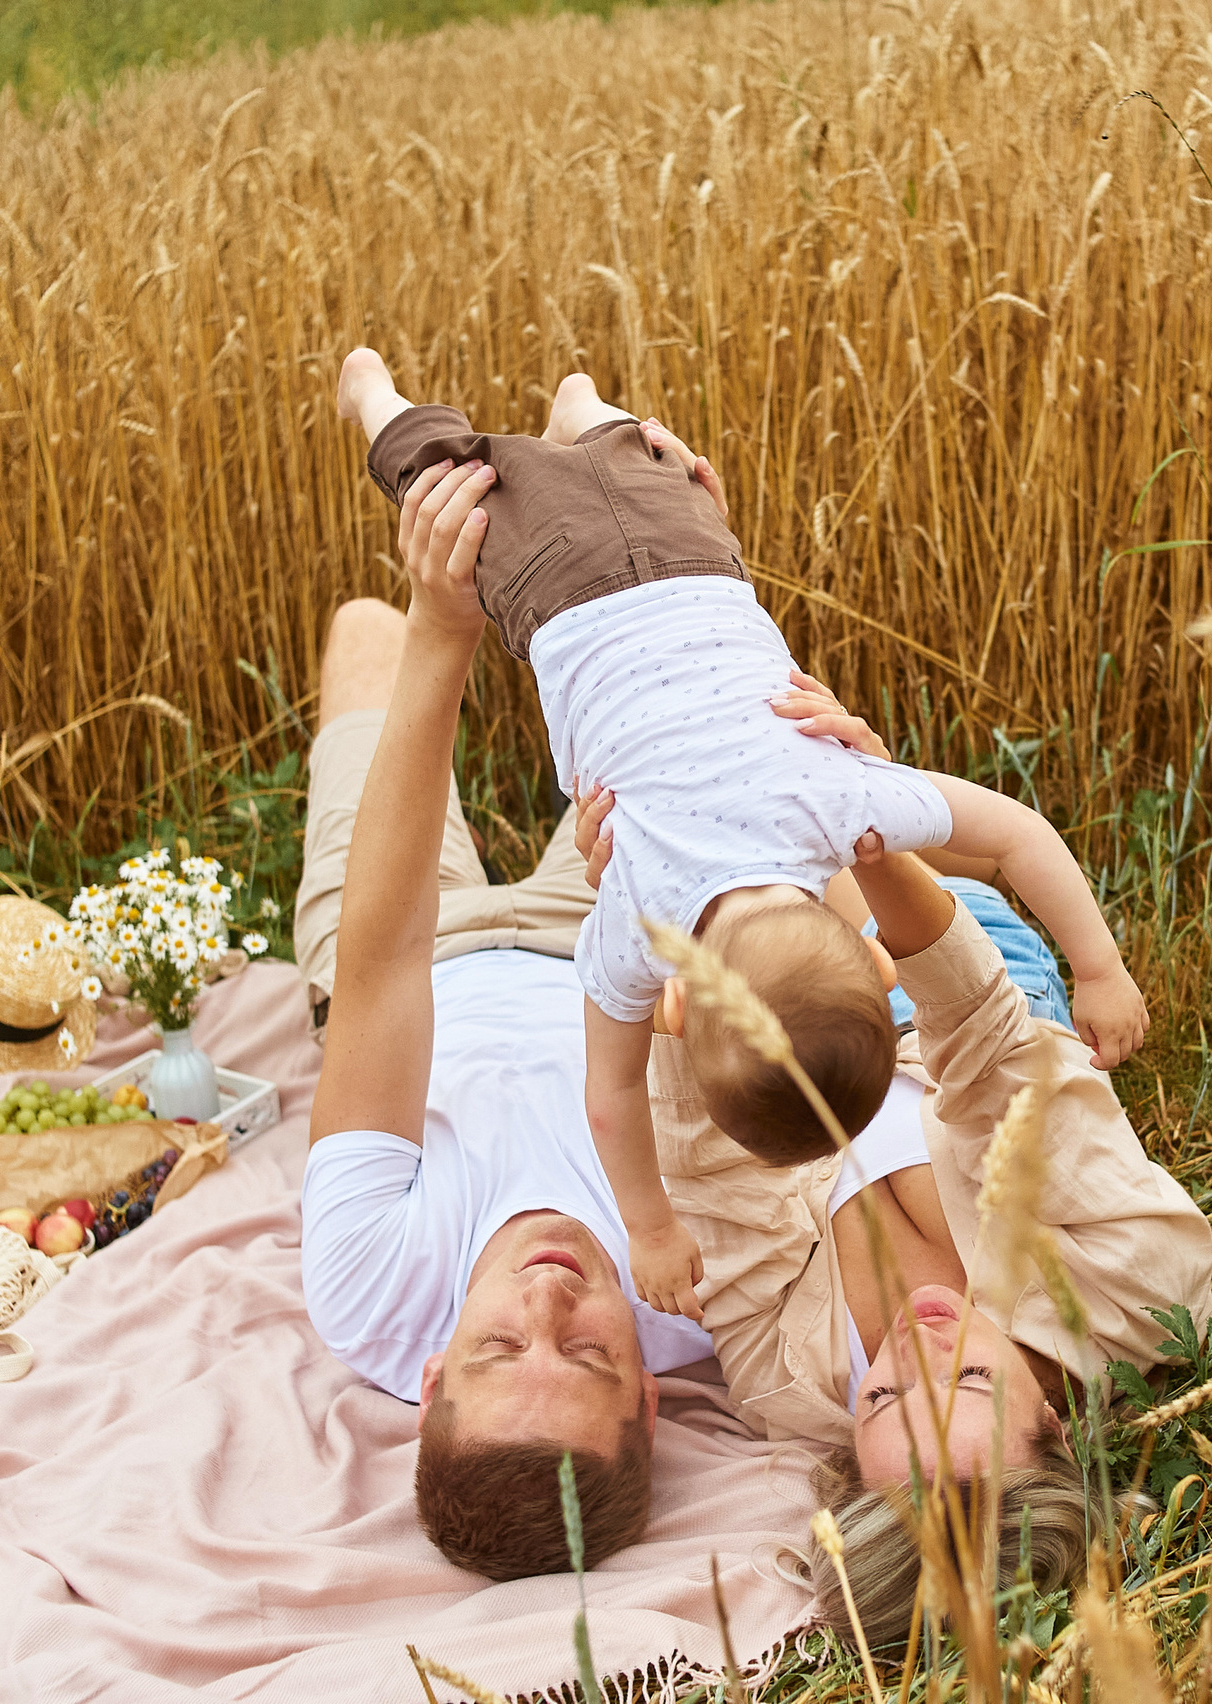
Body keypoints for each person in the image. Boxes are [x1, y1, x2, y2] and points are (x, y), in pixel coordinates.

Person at [334, 353, 1153, 1326]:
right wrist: (649, 1229)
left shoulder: (843, 803)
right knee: (445, 477)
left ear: (864, 944)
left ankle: (584, 412)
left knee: (621, 445)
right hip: (552, 591)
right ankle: (376, 401)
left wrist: (1100, 969)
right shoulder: (636, 924)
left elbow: (1019, 836)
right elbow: (614, 1096)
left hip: (693, 555)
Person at [633, 691, 1212, 1650]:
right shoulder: (1138, 1288)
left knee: (662, 811)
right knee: (787, 739)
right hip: (967, 970)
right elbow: (990, 1045)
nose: (918, 1351)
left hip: (781, 1032)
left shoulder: (787, 1387)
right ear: (1060, 1437)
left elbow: (714, 1178)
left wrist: (688, 989)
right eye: (971, 1385)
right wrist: (869, 829)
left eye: (885, 1399)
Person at [293, 456, 716, 1581]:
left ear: (430, 1377)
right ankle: (579, 442)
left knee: (366, 631)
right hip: (601, 947)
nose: (547, 1293)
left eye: (495, 1346)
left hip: (409, 954)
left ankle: (366, 404)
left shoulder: (373, 1290)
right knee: (664, 591)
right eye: (582, 1349)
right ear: (648, 1397)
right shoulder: (706, 1284)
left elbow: (382, 968)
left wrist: (445, 628)